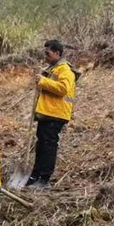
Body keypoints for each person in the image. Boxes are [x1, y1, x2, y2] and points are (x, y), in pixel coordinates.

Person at [27, 39, 76, 189]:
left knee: (48, 145)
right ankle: (35, 175)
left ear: (57, 53)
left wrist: (43, 81)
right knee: (41, 144)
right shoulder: (52, 69)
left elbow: (62, 89)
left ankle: (44, 179)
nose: (45, 57)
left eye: (48, 53)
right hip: (47, 113)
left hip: (57, 114)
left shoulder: (65, 70)